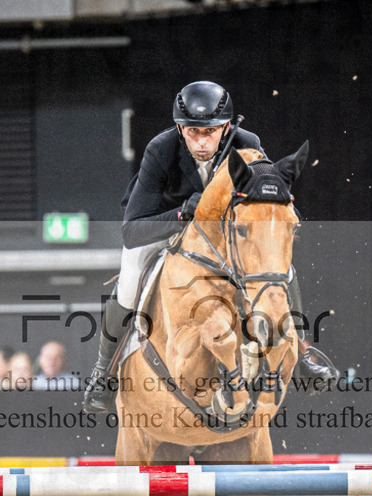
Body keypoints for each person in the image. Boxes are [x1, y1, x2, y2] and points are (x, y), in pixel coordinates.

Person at [82, 80, 339, 413]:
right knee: (129, 285)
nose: (202, 142)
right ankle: (103, 373)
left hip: (221, 234)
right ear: (180, 128)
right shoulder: (161, 149)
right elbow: (132, 231)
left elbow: (266, 194)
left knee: (280, 269)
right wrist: (182, 213)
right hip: (164, 226)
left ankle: (302, 354)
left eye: (211, 132)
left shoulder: (247, 144)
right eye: (193, 132)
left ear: (226, 127)